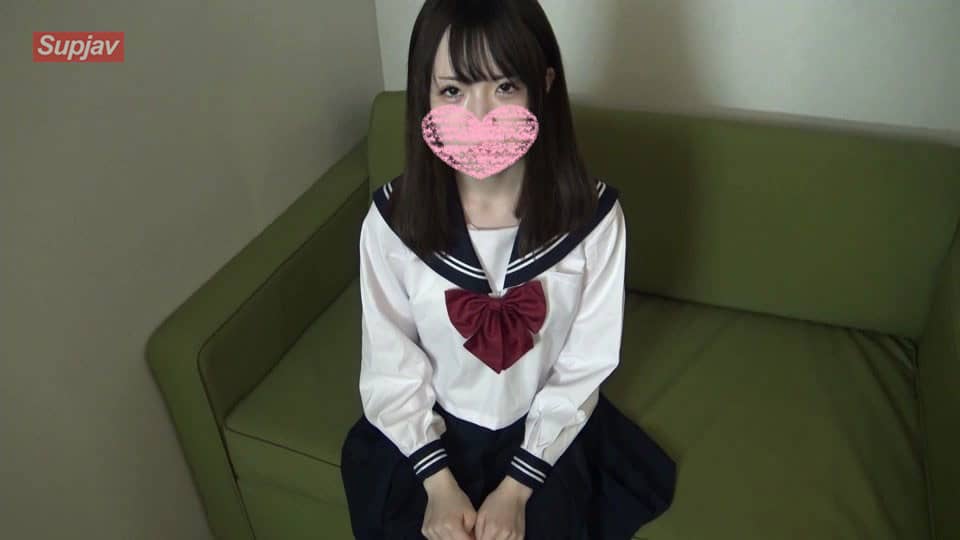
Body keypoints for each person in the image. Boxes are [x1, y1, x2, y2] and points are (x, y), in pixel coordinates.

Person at [340, 1, 676, 539]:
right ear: (424, 93)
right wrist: (438, 485)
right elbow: (390, 363)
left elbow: (585, 363)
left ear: (543, 85)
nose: (478, 117)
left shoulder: (595, 222)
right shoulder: (390, 224)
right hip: (431, 435)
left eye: (504, 86)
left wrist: (517, 488)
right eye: (453, 91)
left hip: (546, 432)